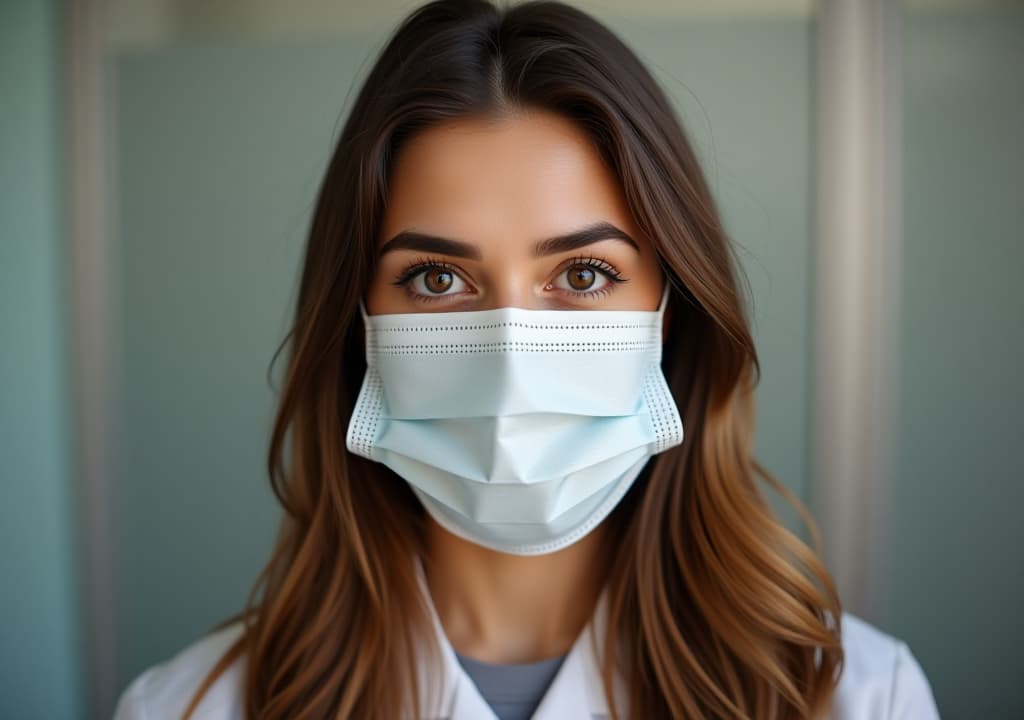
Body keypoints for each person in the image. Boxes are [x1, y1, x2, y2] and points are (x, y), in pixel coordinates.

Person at [113, 1, 941, 718]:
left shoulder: (858, 697)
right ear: (357, 323)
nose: (511, 356)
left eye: (583, 275)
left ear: (671, 316)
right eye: (437, 279)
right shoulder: (188, 709)